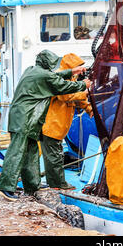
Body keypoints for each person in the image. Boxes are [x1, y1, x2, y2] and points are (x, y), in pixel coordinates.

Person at [0, 50, 90, 202]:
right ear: (48, 63)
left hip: (27, 119)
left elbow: (55, 76)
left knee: (31, 152)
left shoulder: (32, 70)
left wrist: (72, 71)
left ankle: (33, 185)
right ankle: (5, 187)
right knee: (16, 152)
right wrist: (83, 85)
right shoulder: (45, 76)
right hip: (25, 119)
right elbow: (62, 87)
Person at [41, 53, 93, 190]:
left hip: (59, 128)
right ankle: (57, 185)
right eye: (78, 67)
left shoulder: (72, 79)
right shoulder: (57, 79)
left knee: (56, 155)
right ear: (71, 66)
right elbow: (67, 96)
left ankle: (56, 184)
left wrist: (89, 108)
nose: (80, 71)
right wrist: (85, 91)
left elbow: (79, 99)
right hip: (51, 126)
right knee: (53, 158)